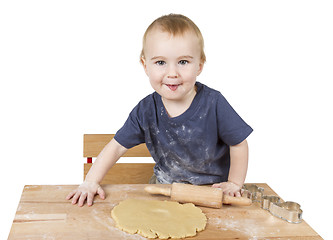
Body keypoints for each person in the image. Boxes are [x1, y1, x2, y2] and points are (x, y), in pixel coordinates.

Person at [67, 13, 253, 207]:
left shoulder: (214, 103)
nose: (172, 73)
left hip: (212, 192)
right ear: (145, 65)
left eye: (183, 62)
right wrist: (90, 182)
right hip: (164, 189)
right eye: (160, 62)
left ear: (199, 65)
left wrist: (234, 183)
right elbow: (116, 147)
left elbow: (239, 143)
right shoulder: (146, 110)